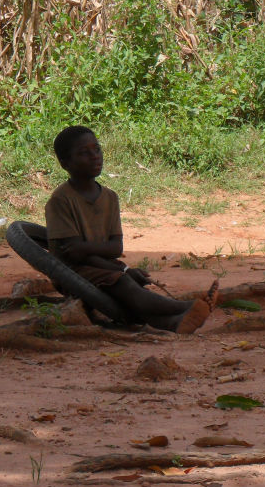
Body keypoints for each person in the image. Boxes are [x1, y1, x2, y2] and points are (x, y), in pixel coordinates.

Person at [44, 125, 217, 333]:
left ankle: (175, 323)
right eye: (84, 153)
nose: (94, 157)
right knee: (125, 284)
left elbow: (115, 247)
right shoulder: (60, 200)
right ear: (65, 163)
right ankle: (187, 307)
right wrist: (119, 269)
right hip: (72, 274)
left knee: (130, 287)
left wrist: (108, 261)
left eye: (97, 149)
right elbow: (73, 255)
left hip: (104, 267)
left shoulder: (110, 197)